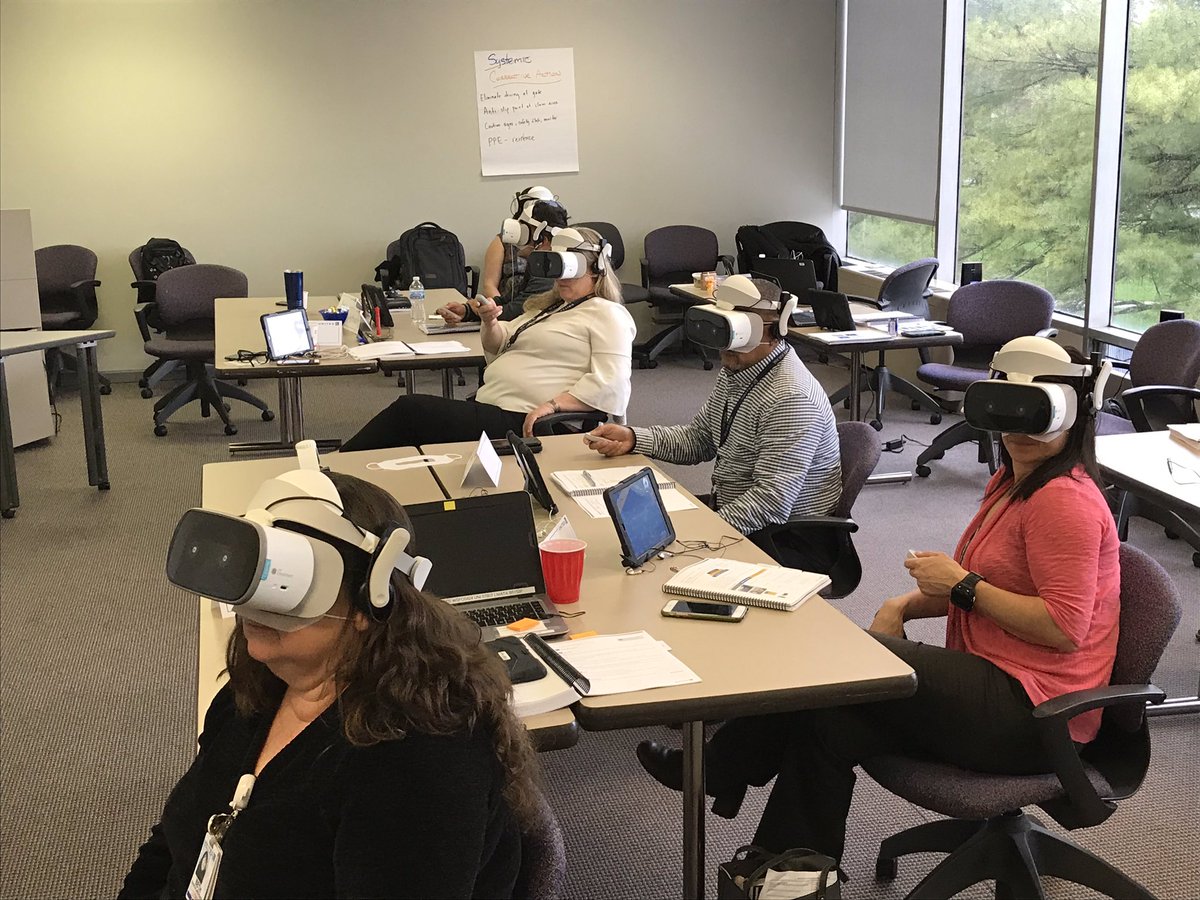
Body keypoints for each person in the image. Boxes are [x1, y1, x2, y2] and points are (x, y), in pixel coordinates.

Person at [634, 338, 1121, 864]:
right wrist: (904, 606)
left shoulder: (1063, 501)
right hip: (996, 682)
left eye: (1036, 414)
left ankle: (720, 768)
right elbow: (991, 589)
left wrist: (962, 585)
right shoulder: (1013, 480)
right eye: (1006, 408)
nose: (1017, 429)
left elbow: (1061, 627)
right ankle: (789, 871)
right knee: (827, 722)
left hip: (1037, 715)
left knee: (839, 656)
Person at [120, 469, 538, 898]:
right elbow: (179, 838)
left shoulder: (421, 765)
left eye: (287, 578)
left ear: (368, 600)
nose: (256, 600)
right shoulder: (256, 688)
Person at [584, 275, 841, 548]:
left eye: (739, 329)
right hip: (736, 515)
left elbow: (770, 502)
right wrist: (634, 438)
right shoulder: (738, 370)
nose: (727, 342)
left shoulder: (790, 398)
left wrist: (699, 535)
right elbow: (700, 439)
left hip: (783, 541)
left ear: (775, 329)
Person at [343, 226, 635, 450]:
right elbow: (500, 342)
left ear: (596, 268)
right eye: (555, 267)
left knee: (411, 411)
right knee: (410, 432)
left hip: (528, 420)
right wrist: (490, 321)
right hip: (494, 407)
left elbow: (611, 384)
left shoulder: (607, 314)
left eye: (571, 268)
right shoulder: (550, 307)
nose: (561, 278)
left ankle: (333, 473)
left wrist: (553, 405)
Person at [437, 186, 570, 324]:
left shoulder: (550, 265)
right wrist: (467, 311)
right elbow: (511, 299)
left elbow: (523, 309)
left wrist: (479, 312)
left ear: (542, 238)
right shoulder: (537, 261)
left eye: (524, 230)